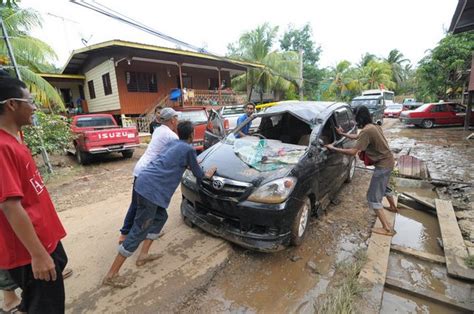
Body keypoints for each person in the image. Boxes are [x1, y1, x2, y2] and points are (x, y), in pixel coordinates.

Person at [103, 121, 217, 288]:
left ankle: (143, 255)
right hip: (151, 191)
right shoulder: (188, 150)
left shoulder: (173, 144)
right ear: (192, 135)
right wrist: (209, 173)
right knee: (138, 230)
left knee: (161, 217)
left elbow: (174, 162)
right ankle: (111, 275)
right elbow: (199, 175)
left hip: (142, 181)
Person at [0, 77, 68, 313]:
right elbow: (10, 206)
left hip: (44, 237)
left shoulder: (15, 139)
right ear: (11, 104)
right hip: (30, 249)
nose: (35, 107)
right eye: (29, 101)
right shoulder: (2, 147)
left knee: (56, 272)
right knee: (47, 306)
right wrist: (38, 255)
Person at [325, 105, 397, 237]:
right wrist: (343, 134)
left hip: (383, 166)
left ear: (359, 117)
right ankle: (393, 207)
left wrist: (333, 148)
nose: (354, 120)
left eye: (355, 117)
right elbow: (358, 137)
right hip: (389, 162)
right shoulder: (374, 126)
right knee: (384, 186)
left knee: (373, 197)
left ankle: (387, 229)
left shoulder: (366, 131)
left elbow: (353, 152)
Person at [118, 107, 180, 243]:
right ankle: (130, 235)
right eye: (177, 118)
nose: (178, 120)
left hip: (141, 169)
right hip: (149, 174)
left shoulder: (159, 130)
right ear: (172, 120)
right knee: (144, 206)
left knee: (141, 204)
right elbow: (179, 154)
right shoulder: (171, 136)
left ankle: (136, 232)